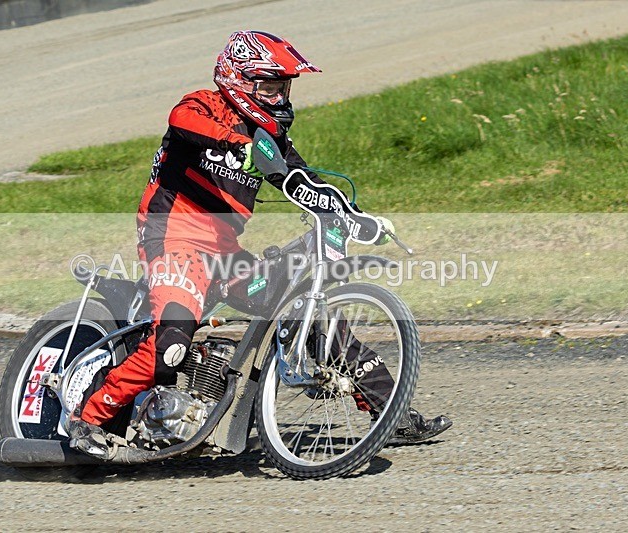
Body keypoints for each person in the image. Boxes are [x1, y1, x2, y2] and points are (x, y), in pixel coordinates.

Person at [68, 30, 452, 458]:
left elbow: (305, 184)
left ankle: (389, 414)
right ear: (238, 78)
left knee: (310, 314)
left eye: (283, 87)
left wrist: (353, 216)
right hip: (173, 239)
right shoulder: (201, 105)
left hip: (225, 254)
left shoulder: (273, 140)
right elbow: (183, 123)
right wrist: (240, 146)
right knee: (172, 344)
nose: (279, 96)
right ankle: (86, 418)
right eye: (268, 85)